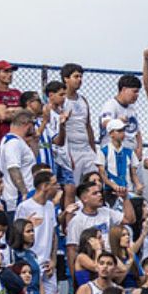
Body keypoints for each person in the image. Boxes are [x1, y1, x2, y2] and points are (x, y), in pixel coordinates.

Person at [14, 171, 60, 294]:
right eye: (54, 184)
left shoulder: (51, 206)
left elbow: (53, 234)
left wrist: (53, 259)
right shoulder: (25, 207)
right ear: (44, 186)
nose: (58, 187)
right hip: (30, 264)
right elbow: (16, 236)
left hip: (48, 264)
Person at [58, 63, 96, 196]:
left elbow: (88, 125)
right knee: (72, 187)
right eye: (76, 76)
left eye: (81, 76)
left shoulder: (83, 100)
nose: (79, 79)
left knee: (94, 180)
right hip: (71, 149)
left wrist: (93, 149)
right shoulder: (61, 101)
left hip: (85, 148)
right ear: (65, 79)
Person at [96, 118, 142, 207]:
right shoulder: (103, 152)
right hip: (111, 192)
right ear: (111, 134)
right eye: (119, 131)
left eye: (123, 130)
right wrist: (113, 185)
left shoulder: (129, 152)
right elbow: (102, 174)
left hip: (128, 190)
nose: (123, 133)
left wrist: (138, 184)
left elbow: (133, 173)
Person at [99, 74, 143, 162]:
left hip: (131, 151)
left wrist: (139, 149)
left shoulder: (131, 108)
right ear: (123, 90)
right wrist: (118, 122)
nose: (137, 95)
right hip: (115, 151)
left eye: (138, 92)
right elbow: (105, 123)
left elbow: (137, 131)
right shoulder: (111, 105)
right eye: (134, 91)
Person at [0, 109, 36, 204]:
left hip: (18, 196)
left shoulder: (9, 139)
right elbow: (13, 168)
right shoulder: (14, 143)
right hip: (18, 198)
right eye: (33, 124)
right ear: (27, 124)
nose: (34, 128)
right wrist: (24, 193)